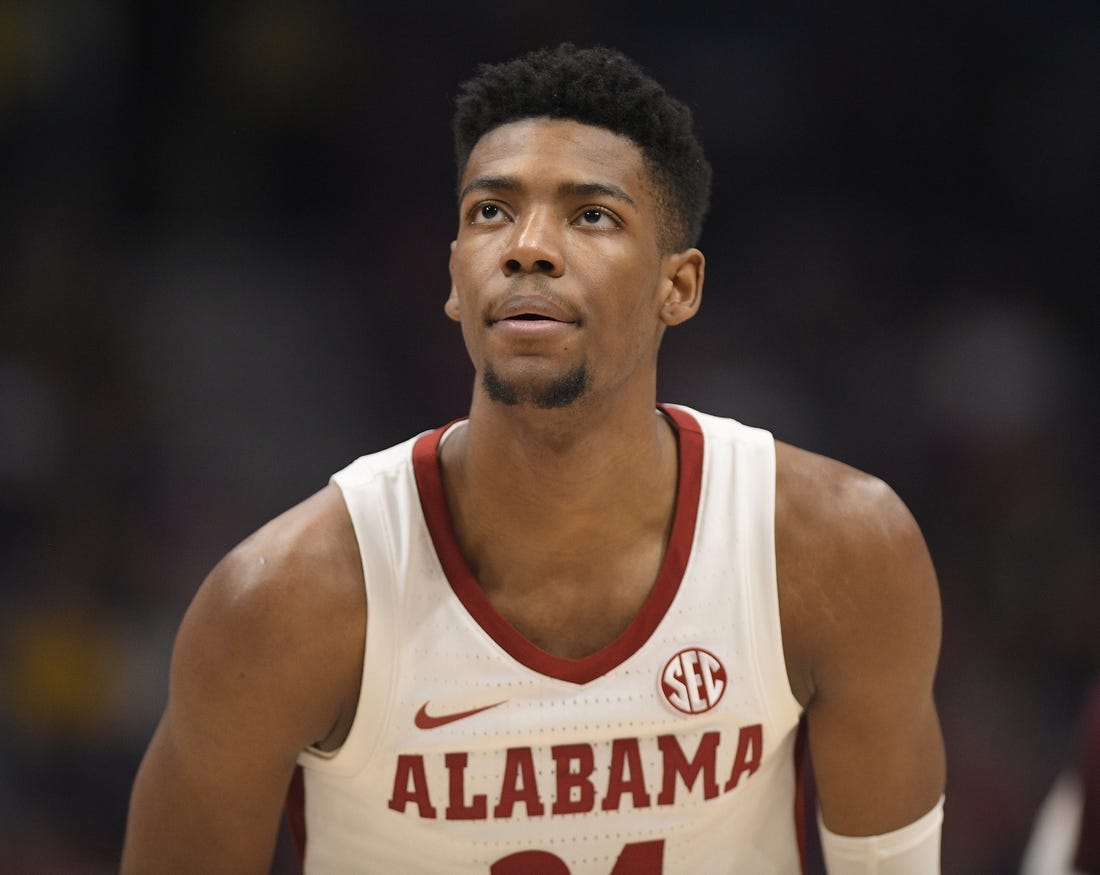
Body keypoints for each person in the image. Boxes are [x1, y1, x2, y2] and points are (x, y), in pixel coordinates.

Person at [121, 43, 946, 874]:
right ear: (454, 278)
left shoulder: (837, 554)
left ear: (680, 286)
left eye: (592, 215)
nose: (528, 248)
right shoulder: (284, 603)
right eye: (490, 212)